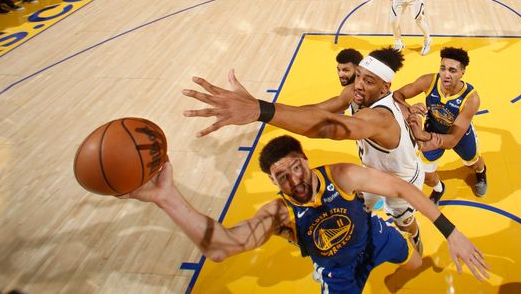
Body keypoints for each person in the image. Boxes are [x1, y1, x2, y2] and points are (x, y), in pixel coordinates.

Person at [124, 135, 490, 293]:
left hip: (374, 238)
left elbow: (401, 188)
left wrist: (450, 231)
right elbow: (223, 246)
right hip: (338, 271)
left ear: (306, 161)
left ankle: (395, 282)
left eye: (295, 168)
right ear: (273, 181)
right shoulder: (280, 213)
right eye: (281, 177)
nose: (293, 180)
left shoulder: (341, 175)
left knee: (413, 258)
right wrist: (166, 197)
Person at [183, 47, 427, 253]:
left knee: (403, 221)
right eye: (359, 76)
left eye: (368, 81)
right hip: (374, 170)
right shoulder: (354, 93)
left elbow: (327, 127)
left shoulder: (380, 118)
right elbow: (316, 111)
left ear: (385, 88)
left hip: (403, 179)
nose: (359, 85)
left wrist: (261, 110)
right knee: (358, 208)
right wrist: (260, 107)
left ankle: (415, 239)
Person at [393, 47, 487, 204]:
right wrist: (409, 108)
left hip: (459, 136)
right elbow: (397, 95)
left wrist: (424, 136)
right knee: (426, 174)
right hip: (433, 129)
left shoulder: (471, 99)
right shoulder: (428, 81)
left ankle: (482, 173)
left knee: (473, 162)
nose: (446, 74)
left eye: (452, 70)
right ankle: (439, 188)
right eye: (443, 68)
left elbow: (451, 141)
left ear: (462, 72)